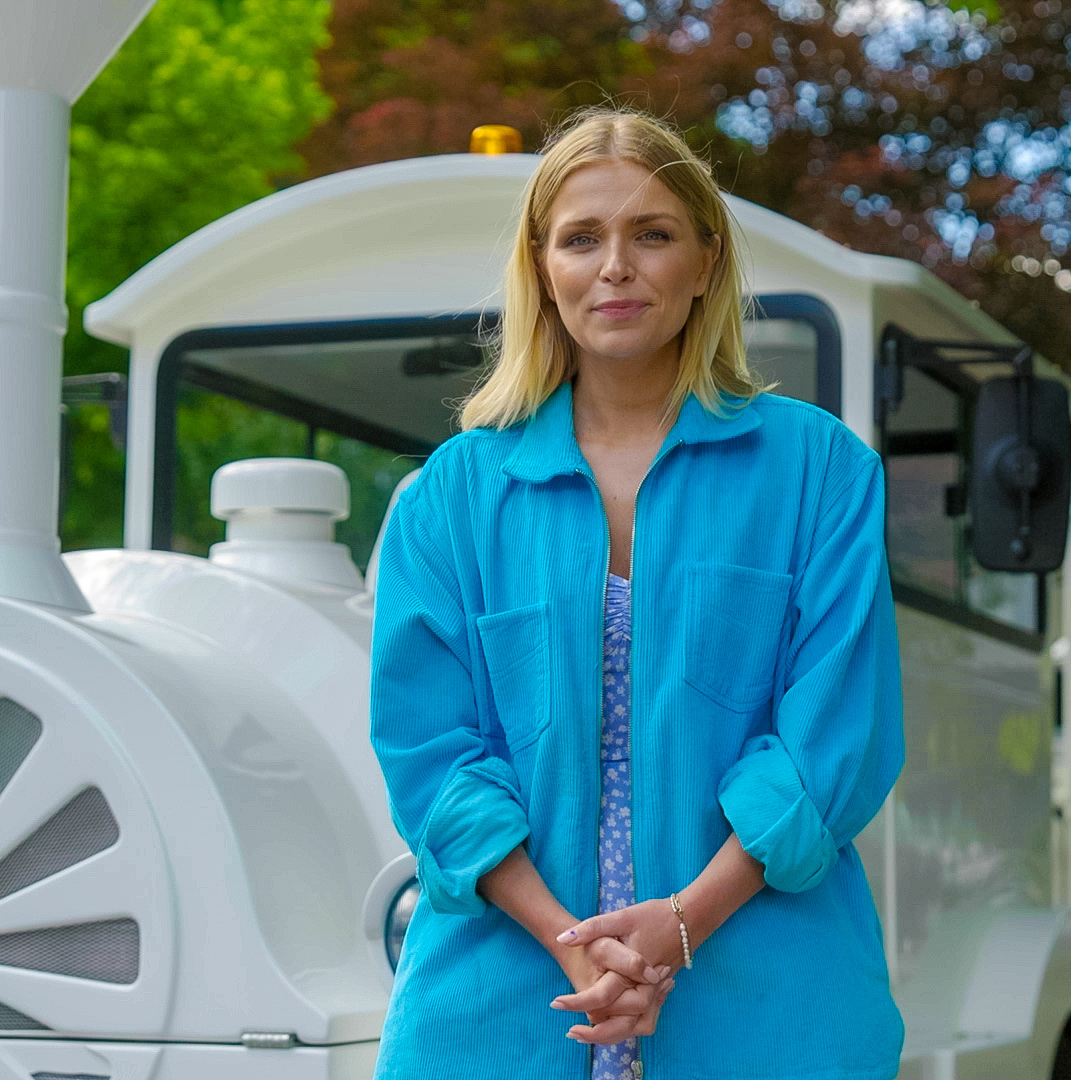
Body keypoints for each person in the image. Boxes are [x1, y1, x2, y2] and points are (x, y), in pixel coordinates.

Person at [369, 106, 905, 1079]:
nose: (614, 266)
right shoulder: (445, 499)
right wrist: (570, 937)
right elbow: (430, 754)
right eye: (582, 238)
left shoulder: (820, 472)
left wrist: (680, 926)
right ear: (541, 268)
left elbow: (833, 739)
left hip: (770, 1008)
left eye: (651, 234)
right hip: (499, 1011)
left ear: (704, 262)